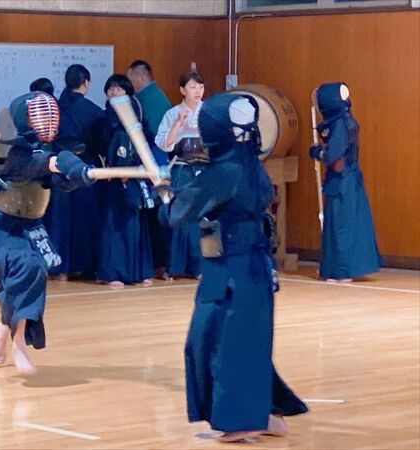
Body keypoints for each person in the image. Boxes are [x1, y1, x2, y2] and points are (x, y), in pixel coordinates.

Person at [158, 92, 307, 443]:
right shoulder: (249, 163)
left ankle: (243, 420)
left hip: (233, 273)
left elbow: (176, 215)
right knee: (241, 342)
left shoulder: (224, 171)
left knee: (219, 344)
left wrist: (165, 192)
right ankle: (267, 413)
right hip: (246, 271)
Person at [0, 92, 98, 374]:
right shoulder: (21, 156)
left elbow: (59, 177)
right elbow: (51, 162)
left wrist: (81, 175)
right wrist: (71, 166)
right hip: (0, 232)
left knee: (29, 276)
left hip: (29, 230)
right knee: (25, 274)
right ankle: (14, 337)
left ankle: (10, 333)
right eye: (39, 115)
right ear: (25, 121)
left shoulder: (45, 151)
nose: (47, 120)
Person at [309, 82, 382, 283]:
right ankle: (338, 269)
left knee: (340, 227)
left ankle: (342, 271)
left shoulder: (340, 125)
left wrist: (317, 151)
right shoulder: (345, 120)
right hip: (348, 180)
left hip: (342, 181)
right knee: (343, 225)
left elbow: (333, 155)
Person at [45, 64, 105, 281]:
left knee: (59, 218)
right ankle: (82, 266)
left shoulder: (54, 108)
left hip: (59, 165)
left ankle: (58, 269)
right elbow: (99, 142)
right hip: (83, 166)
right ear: (86, 83)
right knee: (83, 217)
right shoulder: (92, 110)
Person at [98, 74, 154, 288]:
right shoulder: (104, 120)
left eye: (119, 88)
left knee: (136, 225)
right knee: (114, 225)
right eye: (110, 88)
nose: (114, 92)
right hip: (112, 179)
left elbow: (147, 144)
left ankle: (139, 272)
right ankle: (113, 272)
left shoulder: (136, 117)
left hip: (135, 177)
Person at [155, 70, 206, 279]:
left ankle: (200, 267)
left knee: (202, 216)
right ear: (182, 90)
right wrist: (178, 123)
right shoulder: (173, 113)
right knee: (179, 215)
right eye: (192, 87)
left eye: (200, 87)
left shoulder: (208, 112)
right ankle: (174, 266)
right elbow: (164, 144)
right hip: (182, 169)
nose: (197, 91)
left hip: (204, 169)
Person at [127, 59, 172, 279]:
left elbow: (153, 136)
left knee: (156, 215)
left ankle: (161, 264)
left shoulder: (151, 99)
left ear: (140, 76)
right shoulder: (151, 97)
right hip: (154, 164)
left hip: (155, 165)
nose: (129, 83)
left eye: (130, 78)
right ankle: (158, 263)